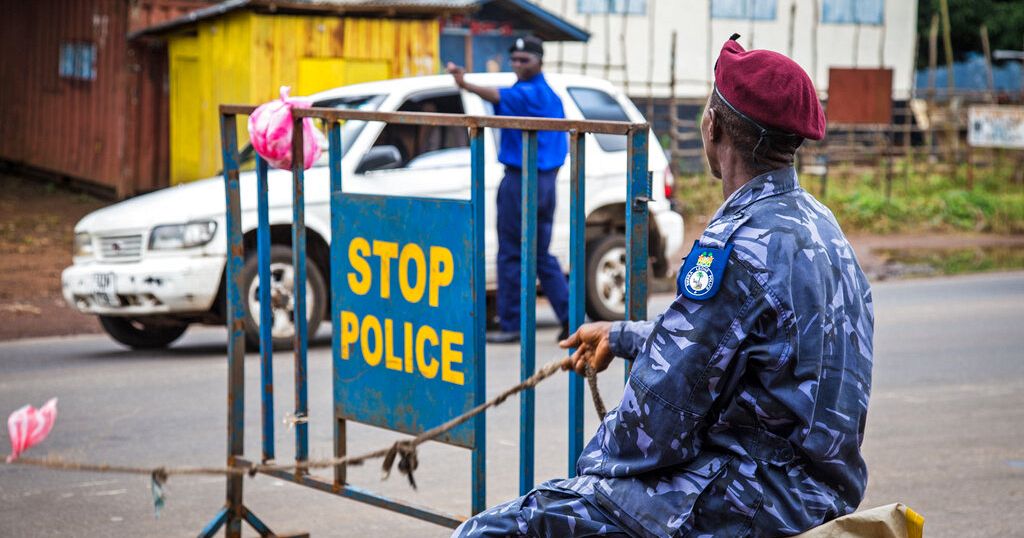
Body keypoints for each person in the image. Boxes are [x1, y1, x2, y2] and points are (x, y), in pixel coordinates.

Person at [453, 34, 874, 537]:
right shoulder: (820, 225)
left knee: (493, 530)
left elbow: (658, 417)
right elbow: (735, 341)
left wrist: (589, 475)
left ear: (712, 126)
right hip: (818, 490)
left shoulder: (737, 246)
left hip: (751, 498)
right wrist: (624, 335)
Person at [446, 36, 570, 344]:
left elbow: (495, 96)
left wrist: (465, 83)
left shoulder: (534, 93)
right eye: (513, 60)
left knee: (512, 252)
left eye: (524, 60)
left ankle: (511, 322)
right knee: (540, 254)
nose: (517, 65)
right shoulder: (544, 93)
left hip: (523, 180)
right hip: (543, 182)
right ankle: (571, 317)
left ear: (539, 61)